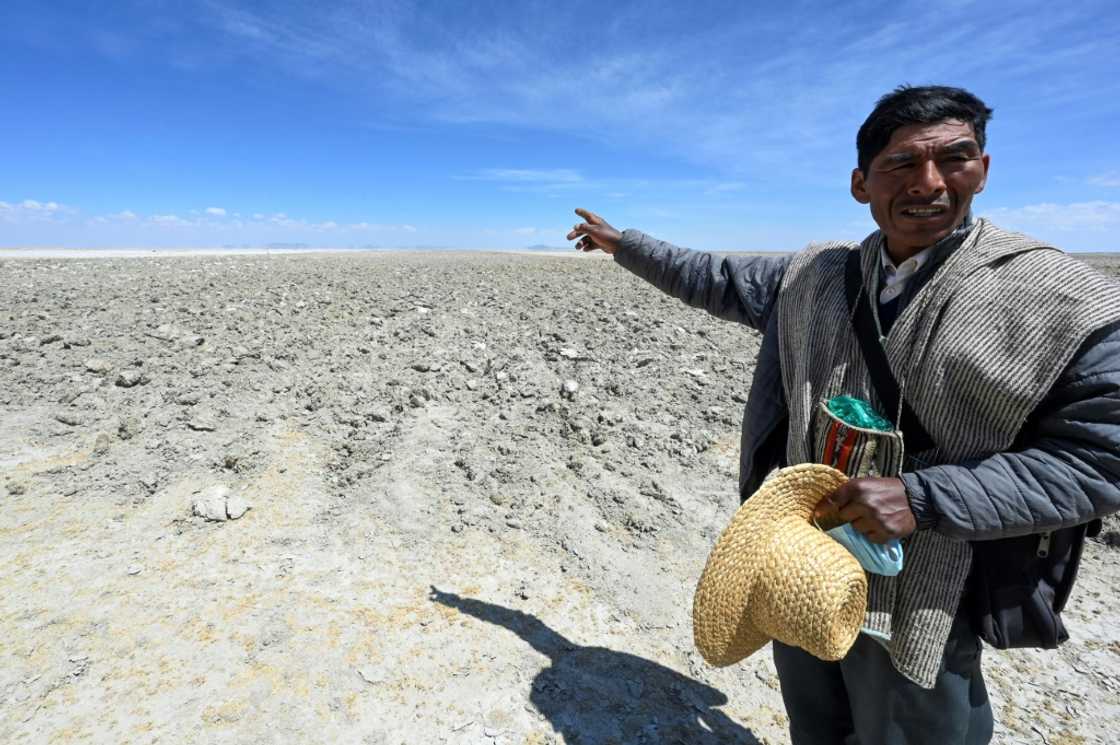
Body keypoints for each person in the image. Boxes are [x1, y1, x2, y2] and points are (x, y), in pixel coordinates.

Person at [566, 84, 1120, 745]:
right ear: (861, 183)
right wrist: (622, 243)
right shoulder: (818, 277)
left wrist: (924, 495)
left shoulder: (1062, 303)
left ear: (985, 167)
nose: (931, 182)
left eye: (956, 158)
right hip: (805, 553)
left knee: (914, 722)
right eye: (902, 164)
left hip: (929, 579)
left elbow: (1097, 457)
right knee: (814, 711)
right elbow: (712, 276)